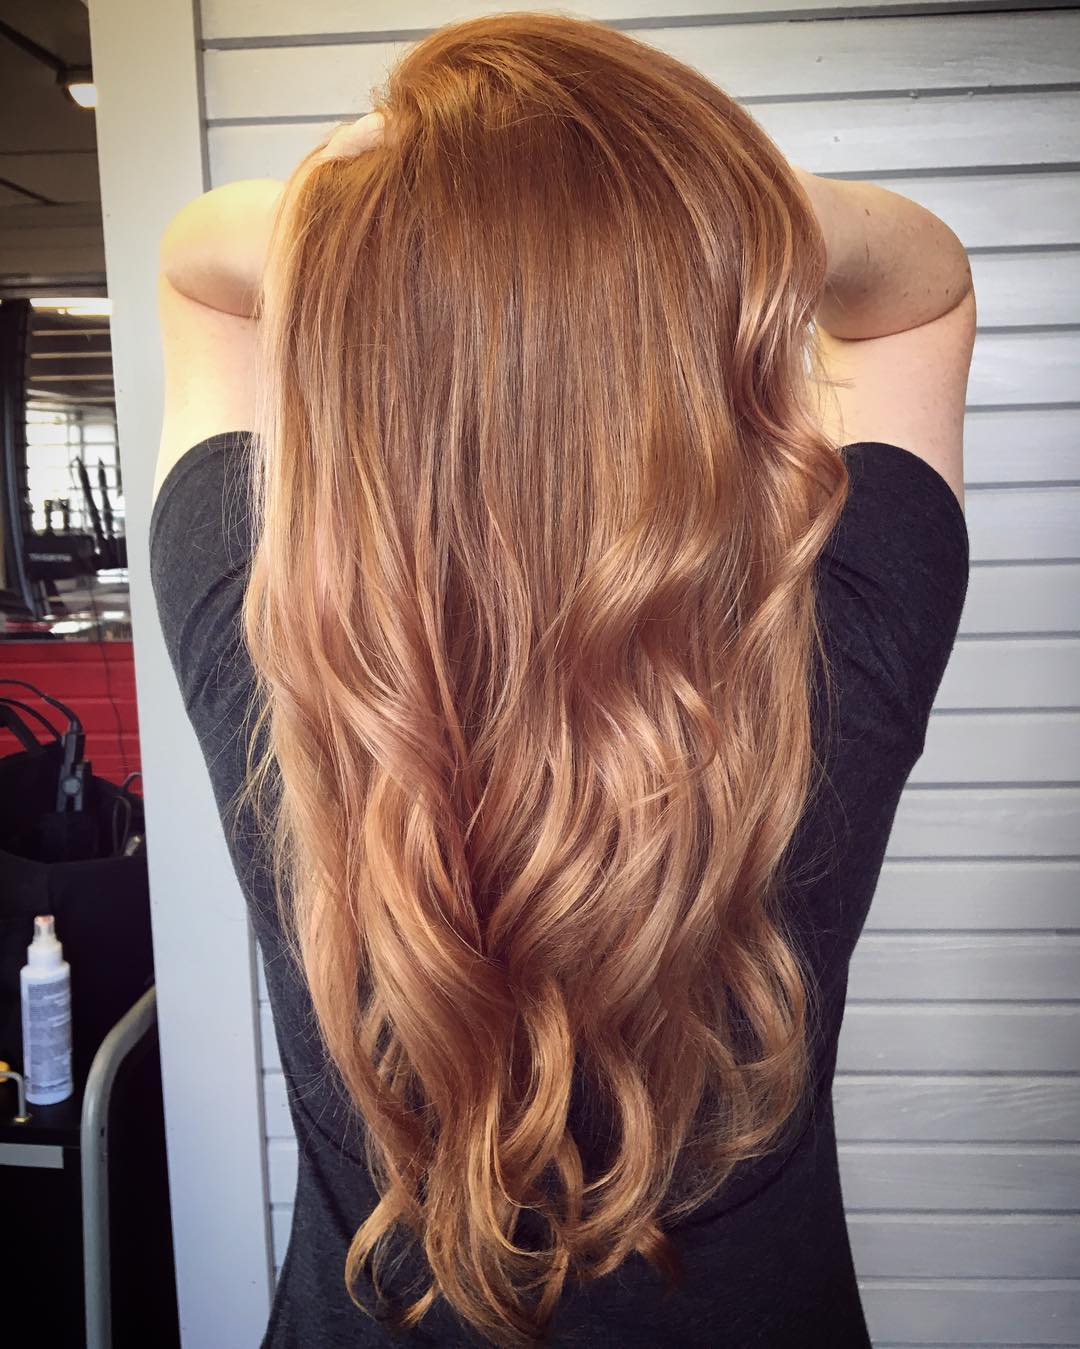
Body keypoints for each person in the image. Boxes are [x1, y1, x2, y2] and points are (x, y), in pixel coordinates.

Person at [148, 13, 974, 1348]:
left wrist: (390, 207)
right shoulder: (835, 657)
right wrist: (712, 206)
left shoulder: (273, 663)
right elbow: (918, 295)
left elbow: (199, 270)